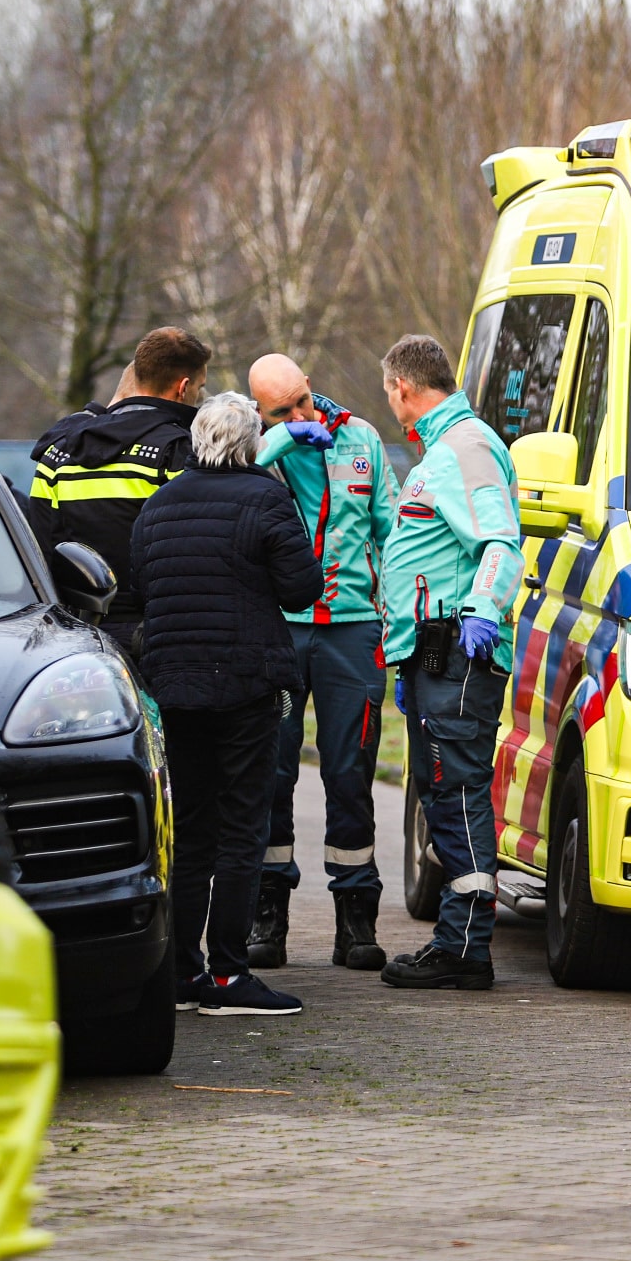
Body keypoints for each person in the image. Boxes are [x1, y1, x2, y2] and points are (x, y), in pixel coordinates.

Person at [128, 392, 321, 1015]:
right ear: (250, 444)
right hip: (247, 683)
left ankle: (183, 973)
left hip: (176, 686)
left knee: (190, 832)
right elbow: (301, 589)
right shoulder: (265, 498)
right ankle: (231, 976)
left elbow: (143, 587)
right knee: (243, 828)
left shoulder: (157, 507)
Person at [375, 334, 520, 991]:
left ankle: (465, 947)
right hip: (433, 659)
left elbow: (499, 541)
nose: (390, 404)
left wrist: (484, 609)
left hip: (458, 655)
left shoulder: (465, 446)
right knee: (443, 790)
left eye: (388, 394)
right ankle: (459, 941)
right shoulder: (443, 448)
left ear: (403, 388)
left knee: (456, 789)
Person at [245, 352, 399, 971]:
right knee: (271, 772)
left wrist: (397, 622)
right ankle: (268, 912)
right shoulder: (256, 446)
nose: (299, 415)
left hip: (352, 631)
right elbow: (224, 483)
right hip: (280, 631)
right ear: (261, 411)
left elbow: (392, 530)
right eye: (280, 412)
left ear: (310, 382)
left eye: (300, 402)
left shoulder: (362, 439)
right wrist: (278, 439)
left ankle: (355, 918)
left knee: (350, 771)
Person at [26, 328, 208, 646]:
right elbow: (191, 553)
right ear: (183, 387)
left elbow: (39, 548)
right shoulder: (179, 453)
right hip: (156, 633)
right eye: (201, 388)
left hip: (72, 634)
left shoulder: (57, 453)